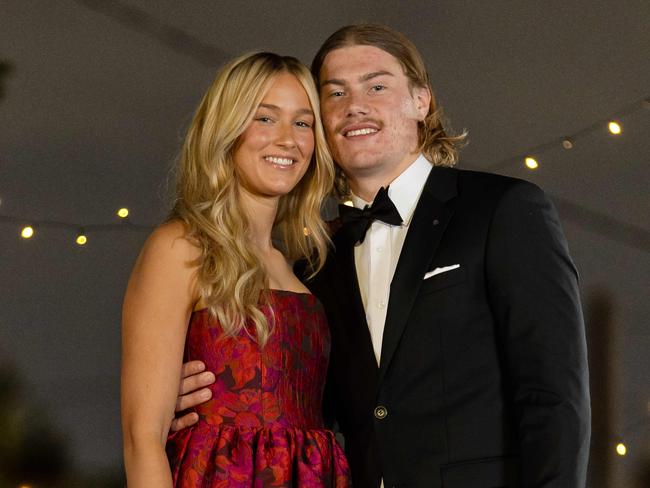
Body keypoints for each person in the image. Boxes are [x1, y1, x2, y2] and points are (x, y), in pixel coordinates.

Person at [174, 24, 591, 487]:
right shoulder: (311, 265)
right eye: (335, 93)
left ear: (421, 100)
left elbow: (554, 395)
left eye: (376, 86)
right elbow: (304, 407)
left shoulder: (503, 210)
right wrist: (201, 403)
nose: (355, 106)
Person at [121, 51, 351, 487]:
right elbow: (142, 439)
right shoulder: (181, 247)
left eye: (303, 123)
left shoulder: (303, 266)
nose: (287, 139)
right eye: (265, 118)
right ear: (226, 129)